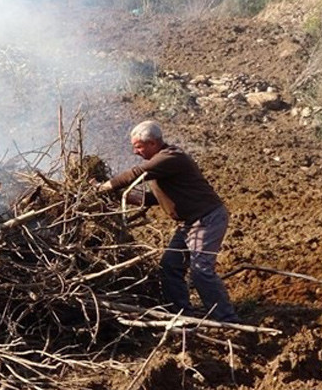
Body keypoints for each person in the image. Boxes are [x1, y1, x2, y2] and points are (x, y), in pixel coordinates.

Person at [96, 120, 240, 322]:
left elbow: (135, 174)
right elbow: (159, 198)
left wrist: (103, 187)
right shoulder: (162, 166)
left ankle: (226, 319)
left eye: (138, 147)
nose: (135, 152)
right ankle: (183, 315)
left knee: (201, 271)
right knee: (170, 266)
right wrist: (127, 198)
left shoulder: (170, 157)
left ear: (153, 143)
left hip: (207, 219)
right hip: (188, 224)